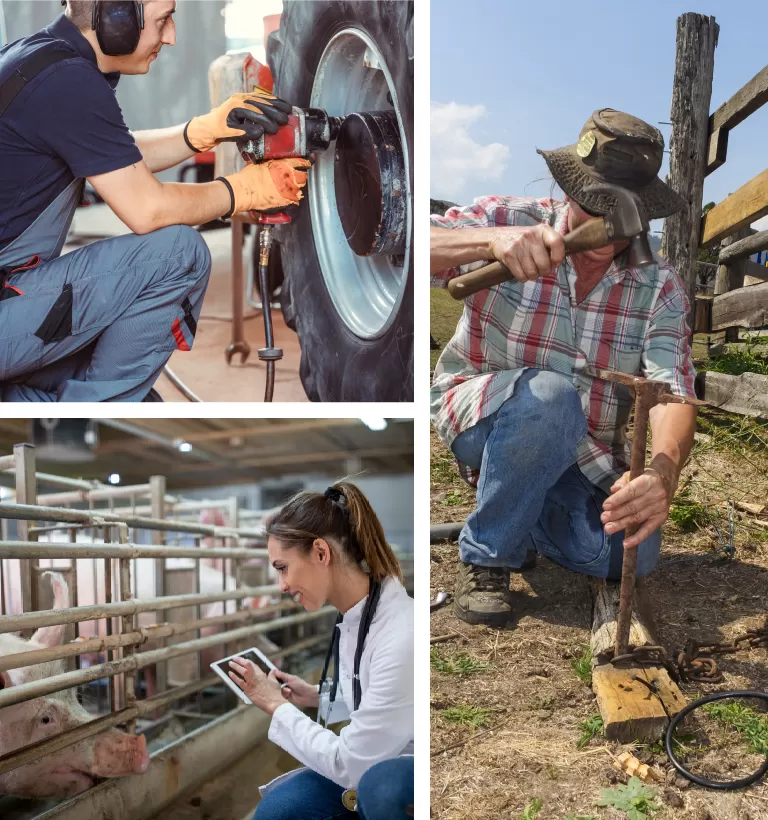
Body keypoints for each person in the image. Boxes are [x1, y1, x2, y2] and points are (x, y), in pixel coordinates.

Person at [430, 108, 698, 626]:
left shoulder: (659, 286)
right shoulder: (506, 220)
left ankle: (518, 506)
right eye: (596, 203)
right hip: (486, 412)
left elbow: (671, 394)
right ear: (569, 189)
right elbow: (397, 246)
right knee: (552, 399)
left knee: (632, 554)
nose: (611, 227)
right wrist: (487, 243)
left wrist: (662, 474)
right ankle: (489, 554)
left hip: (585, 453)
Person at [0, 0, 309, 401]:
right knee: (175, 255)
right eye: (163, 20)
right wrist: (243, 190)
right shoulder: (66, 81)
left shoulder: (39, 57)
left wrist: (201, 131)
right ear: (115, 17)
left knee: (131, 385)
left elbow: (108, 154)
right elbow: (149, 210)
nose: (172, 36)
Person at [226, 482, 414, 820]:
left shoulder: (399, 633)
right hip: (376, 758)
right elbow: (376, 697)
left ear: (321, 553)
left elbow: (351, 763)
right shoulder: (357, 614)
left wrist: (275, 704)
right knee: (277, 810)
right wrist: (316, 697)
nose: (281, 585)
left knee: (382, 788)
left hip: (397, 771)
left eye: (282, 568)